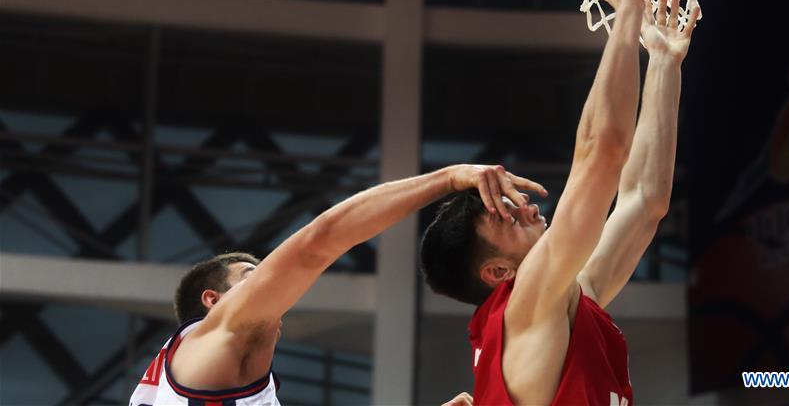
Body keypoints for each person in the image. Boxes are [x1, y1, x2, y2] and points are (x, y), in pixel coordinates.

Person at [420, 0, 700, 406]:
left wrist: (664, 62)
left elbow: (644, 202)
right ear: (498, 272)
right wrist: (627, 12)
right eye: (507, 217)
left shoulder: (559, 302)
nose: (527, 205)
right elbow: (601, 154)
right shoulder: (528, 303)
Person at [130, 164, 546, 405]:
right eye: (252, 277)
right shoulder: (219, 337)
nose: (276, 289)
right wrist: (450, 177)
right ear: (213, 300)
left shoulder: (198, 378)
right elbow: (320, 241)